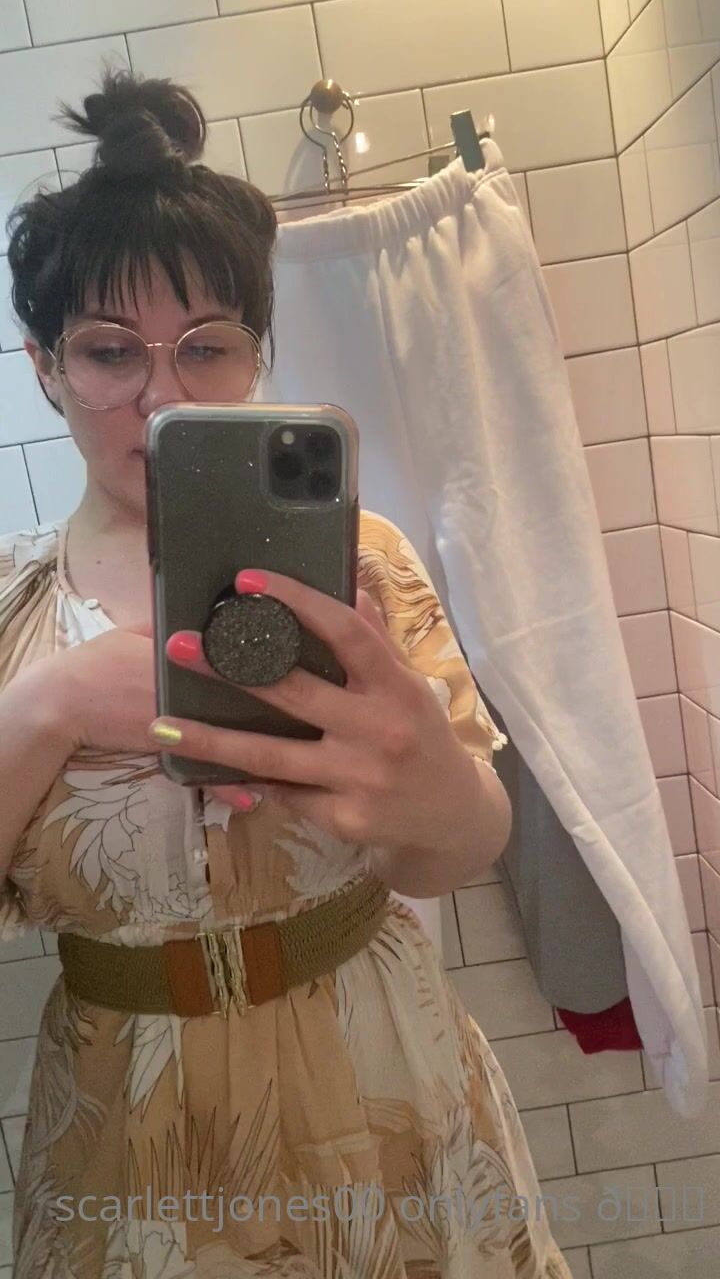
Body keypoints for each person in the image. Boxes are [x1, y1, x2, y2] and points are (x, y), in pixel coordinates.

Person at [0, 66, 571, 1278]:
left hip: (385, 1080)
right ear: (46, 365)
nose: (162, 392)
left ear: (256, 356)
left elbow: (459, 847)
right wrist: (53, 702)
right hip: (130, 1131)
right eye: (110, 351)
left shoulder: (362, 564)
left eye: (207, 345)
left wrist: (438, 796)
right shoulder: (12, 616)